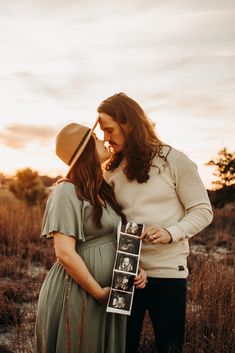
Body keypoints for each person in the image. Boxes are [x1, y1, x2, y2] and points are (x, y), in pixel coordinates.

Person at [97, 92, 213, 353]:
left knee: (169, 347)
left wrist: (171, 233)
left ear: (129, 123)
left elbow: (203, 210)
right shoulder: (109, 169)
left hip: (167, 273)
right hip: (125, 273)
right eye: (102, 131)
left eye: (109, 129)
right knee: (121, 347)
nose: (105, 138)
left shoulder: (175, 160)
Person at [34, 121, 148, 353]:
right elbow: (64, 252)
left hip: (111, 292)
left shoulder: (102, 188)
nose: (103, 139)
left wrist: (134, 268)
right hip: (81, 292)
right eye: (95, 137)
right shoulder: (66, 190)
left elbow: (117, 238)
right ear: (84, 147)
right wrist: (98, 293)